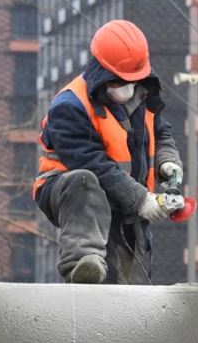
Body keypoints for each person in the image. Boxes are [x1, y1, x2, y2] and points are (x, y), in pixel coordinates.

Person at [33, 19, 183, 284]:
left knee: (130, 284)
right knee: (84, 181)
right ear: (103, 73)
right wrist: (141, 199)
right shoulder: (69, 106)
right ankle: (82, 261)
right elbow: (94, 165)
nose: (128, 87)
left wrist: (167, 161)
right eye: (120, 81)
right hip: (70, 191)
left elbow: (161, 133)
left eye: (132, 81)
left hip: (123, 200)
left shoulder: (143, 96)